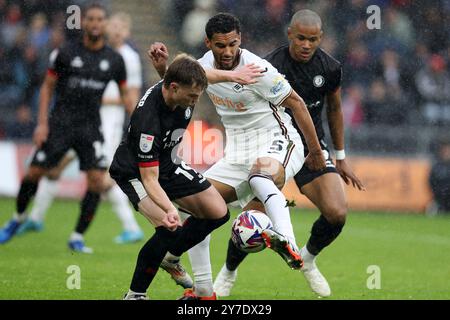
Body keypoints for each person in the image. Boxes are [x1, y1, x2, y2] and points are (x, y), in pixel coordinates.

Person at [149, 12, 326, 300]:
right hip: (236, 152)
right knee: (196, 203)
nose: (228, 51)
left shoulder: (258, 68)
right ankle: (204, 290)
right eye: (221, 46)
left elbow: (296, 102)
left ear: (240, 39)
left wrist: (315, 149)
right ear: (208, 43)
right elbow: (177, 90)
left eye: (233, 44)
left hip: (277, 140)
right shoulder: (201, 68)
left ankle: (289, 242)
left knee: (260, 172)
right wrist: (163, 70)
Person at [214, 9, 365, 298]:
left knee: (337, 213)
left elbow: (334, 108)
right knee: (251, 221)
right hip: (272, 148)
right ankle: (228, 272)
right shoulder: (269, 64)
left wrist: (341, 156)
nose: (306, 45)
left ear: (320, 38)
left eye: (312, 40)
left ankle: (307, 259)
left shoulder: (330, 67)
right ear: (289, 35)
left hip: (311, 150)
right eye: (300, 39)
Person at [110, 54, 248, 300]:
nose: (196, 100)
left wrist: (233, 75)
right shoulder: (147, 122)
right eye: (193, 96)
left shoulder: (182, 87)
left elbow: (199, 73)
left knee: (218, 211)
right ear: (173, 88)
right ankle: (135, 294)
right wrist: (169, 209)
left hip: (168, 164)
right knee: (167, 228)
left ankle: (171, 257)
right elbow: (149, 178)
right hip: (136, 173)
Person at [0, 4, 134, 252]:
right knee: (34, 173)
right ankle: (17, 218)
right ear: (84, 23)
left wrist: (137, 121)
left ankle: (77, 236)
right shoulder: (65, 52)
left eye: (100, 19)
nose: (95, 23)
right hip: (60, 125)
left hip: (91, 129)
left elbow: (127, 96)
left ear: (104, 24)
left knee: (95, 181)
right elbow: (47, 87)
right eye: (91, 19)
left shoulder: (114, 60)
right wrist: (41, 124)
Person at [428, 137, 450, 214]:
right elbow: (431, 182)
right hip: (439, 200)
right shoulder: (437, 166)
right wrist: (438, 195)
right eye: (446, 150)